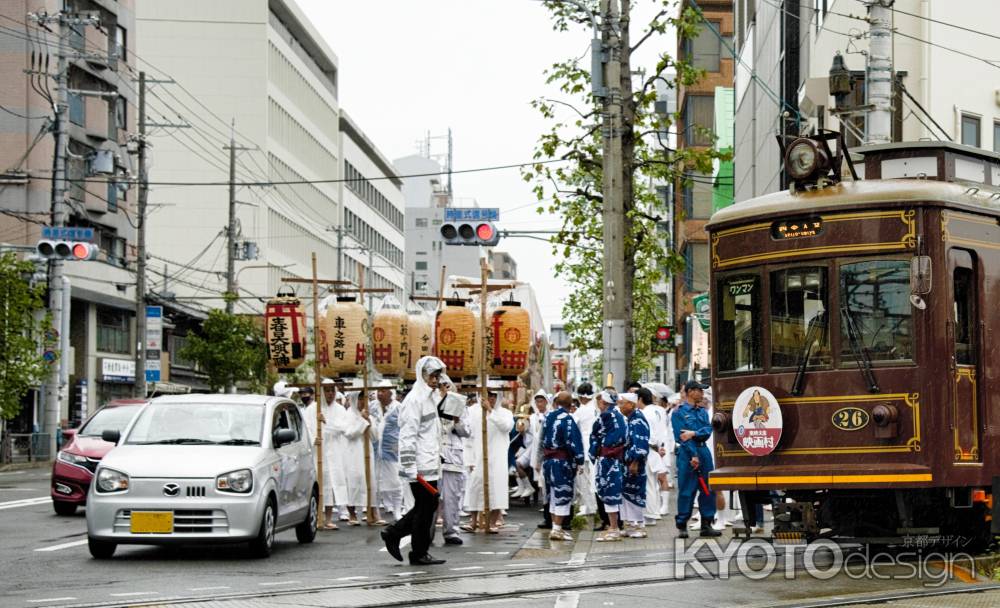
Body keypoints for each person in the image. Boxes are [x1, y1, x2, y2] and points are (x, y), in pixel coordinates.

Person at [381, 356, 448, 566]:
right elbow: (407, 436)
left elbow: (432, 432)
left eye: (437, 376)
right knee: (426, 507)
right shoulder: (414, 400)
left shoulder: (430, 398)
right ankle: (417, 551)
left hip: (429, 461)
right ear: (422, 375)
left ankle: (396, 534)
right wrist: (409, 464)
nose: (435, 380)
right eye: (432, 376)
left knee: (426, 506)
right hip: (419, 465)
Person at [672, 380, 721, 539]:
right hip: (687, 453)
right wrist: (693, 454)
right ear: (691, 392)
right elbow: (681, 436)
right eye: (700, 390)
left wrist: (693, 433)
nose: (702, 393)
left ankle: (706, 524)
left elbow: (708, 430)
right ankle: (682, 525)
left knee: (708, 489)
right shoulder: (678, 412)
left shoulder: (702, 411)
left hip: (703, 450)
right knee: (687, 490)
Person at [463, 390, 515, 533]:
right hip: (478, 455)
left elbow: (506, 427)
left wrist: (490, 411)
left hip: (497, 456)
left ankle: (492, 522)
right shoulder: (472, 411)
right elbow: (468, 437)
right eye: (488, 395)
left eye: (494, 396)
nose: (491, 398)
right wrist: (469, 458)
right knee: (475, 486)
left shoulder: (505, 413)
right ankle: (473, 521)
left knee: (497, 488)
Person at [541, 391, 585, 541]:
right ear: (570, 404)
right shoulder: (567, 419)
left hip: (548, 461)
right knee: (563, 493)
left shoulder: (548, 417)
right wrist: (579, 460)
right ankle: (557, 528)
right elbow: (573, 442)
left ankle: (555, 527)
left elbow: (541, 438)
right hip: (562, 462)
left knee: (553, 494)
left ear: (556, 402)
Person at [329, 384, 371, 526]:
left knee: (366, 481)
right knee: (351, 482)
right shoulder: (348, 415)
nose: (362, 402)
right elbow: (349, 433)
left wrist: (368, 421)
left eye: (364, 399)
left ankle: (368, 511)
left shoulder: (366, 414)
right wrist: (363, 422)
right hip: (351, 453)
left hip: (366, 452)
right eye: (360, 399)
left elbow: (375, 435)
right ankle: (351, 513)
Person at [589, 389, 627, 542]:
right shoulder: (619, 415)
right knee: (615, 491)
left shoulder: (606, 416)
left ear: (603, 402)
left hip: (607, 459)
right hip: (617, 458)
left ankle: (614, 528)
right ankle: (616, 526)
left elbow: (595, 433)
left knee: (608, 491)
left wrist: (594, 452)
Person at [438, 385, 470, 545]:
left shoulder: (460, 406)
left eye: (446, 387)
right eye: (441, 387)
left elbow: (466, 431)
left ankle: (451, 531)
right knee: (429, 499)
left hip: (453, 457)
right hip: (433, 455)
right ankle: (425, 533)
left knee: (451, 498)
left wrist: (457, 421)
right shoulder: (428, 402)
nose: (444, 390)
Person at [369, 381, 404, 522]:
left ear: (391, 393)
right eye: (378, 390)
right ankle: (376, 511)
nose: (379, 393)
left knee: (396, 481)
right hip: (375, 450)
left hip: (392, 451)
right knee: (375, 482)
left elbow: (404, 427)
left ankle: (397, 510)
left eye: (383, 391)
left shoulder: (398, 408)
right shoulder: (372, 407)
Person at [619, 392, 650, 538]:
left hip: (634, 463)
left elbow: (641, 443)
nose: (620, 406)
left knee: (634, 492)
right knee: (627, 493)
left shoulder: (638, 420)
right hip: (627, 462)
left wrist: (635, 462)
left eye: (622, 403)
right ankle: (631, 525)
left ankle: (639, 526)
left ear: (631, 405)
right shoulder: (631, 419)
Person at [637, 386, 668, 522]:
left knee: (648, 484)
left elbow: (649, 436)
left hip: (649, 449)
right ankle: (654, 512)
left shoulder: (644, 413)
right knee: (653, 484)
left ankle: (650, 515)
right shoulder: (659, 410)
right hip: (658, 449)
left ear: (640, 399)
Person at [571, 383, 599, 517]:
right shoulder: (596, 408)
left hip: (584, 447)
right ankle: (593, 506)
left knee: (584, 479)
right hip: (595, 447)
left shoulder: (581, 411)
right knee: (593, 478)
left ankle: (590, 507)